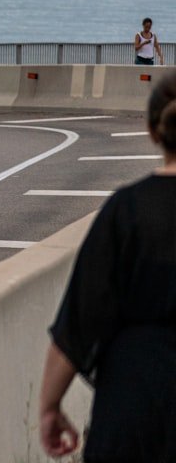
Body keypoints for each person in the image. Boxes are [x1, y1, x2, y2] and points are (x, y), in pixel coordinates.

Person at [39, 69, 176, 461]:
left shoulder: (126, 211)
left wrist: (49, 406)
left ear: (152, 132)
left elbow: (79, 318)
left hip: (132, 403)